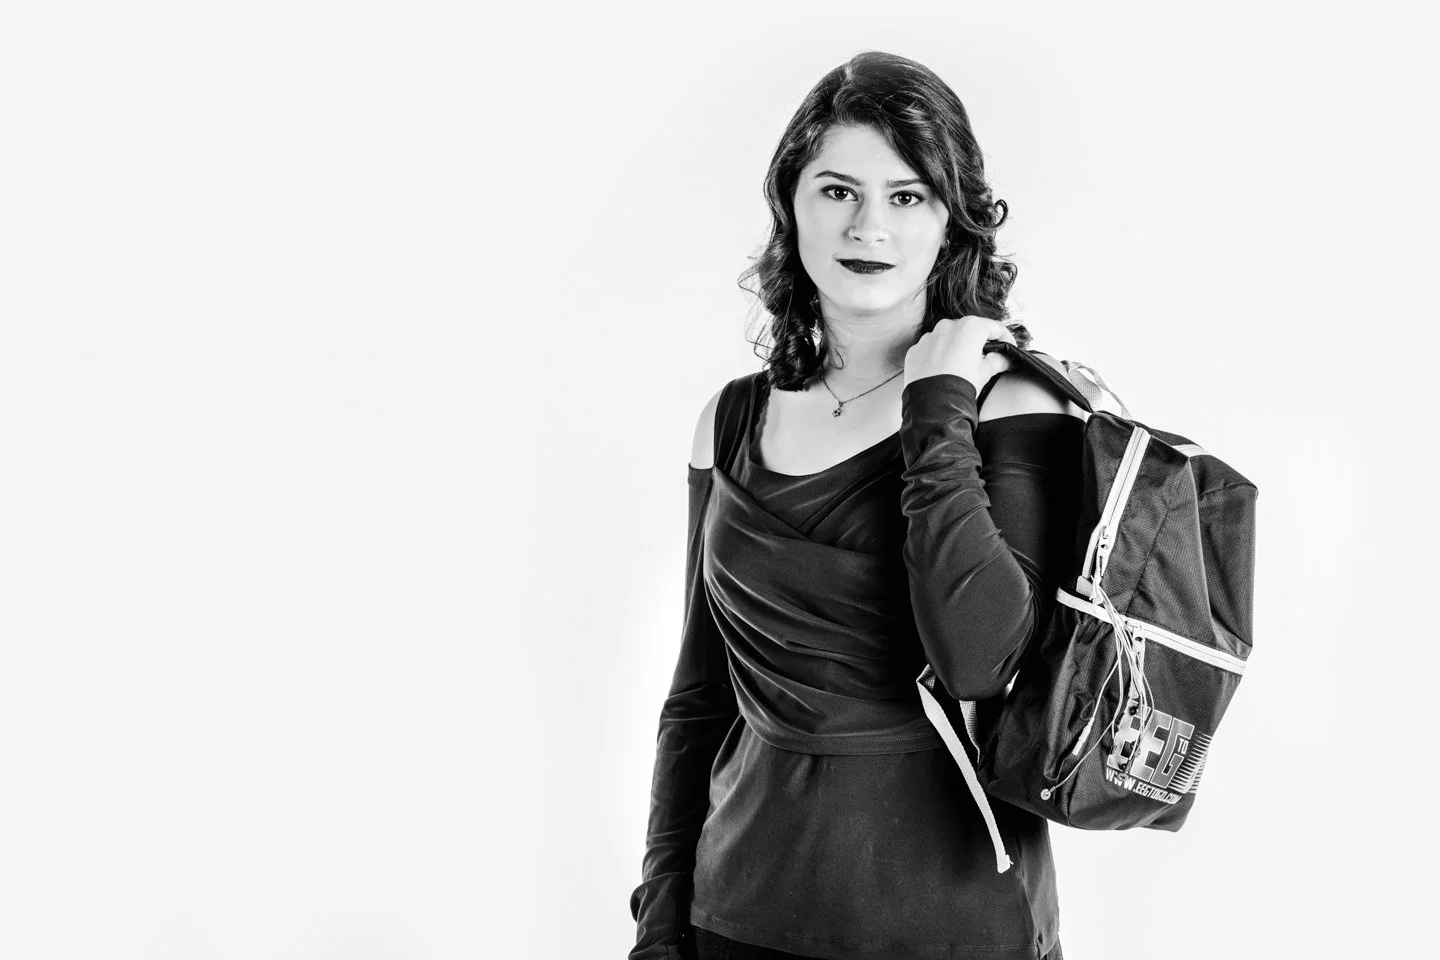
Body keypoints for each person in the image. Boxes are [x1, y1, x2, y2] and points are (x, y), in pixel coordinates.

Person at [629, 51, 1085, 960]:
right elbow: (698, 698)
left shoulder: (1017, 410)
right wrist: (659, 916)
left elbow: (981, 662)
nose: (869, 225)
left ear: (953, 219)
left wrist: (939, 407)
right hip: (735, 915)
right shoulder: (729, 420)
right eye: (837, 190)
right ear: (791, 204)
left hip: (955, 928)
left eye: (908, 196)